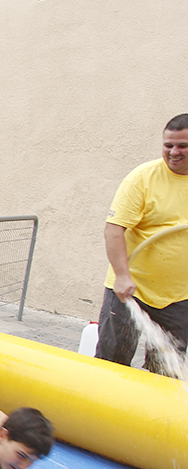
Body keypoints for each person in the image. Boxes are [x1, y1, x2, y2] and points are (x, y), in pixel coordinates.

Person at [94, 114, 188, 375]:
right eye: (168, 145)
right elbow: (114, 229)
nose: (174, 152)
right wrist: (123, 276)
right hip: (131, 289)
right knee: (113, 360)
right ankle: (102, 409)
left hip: (179, 296)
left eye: (183, 145)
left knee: (167, 368)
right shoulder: (143, 178)